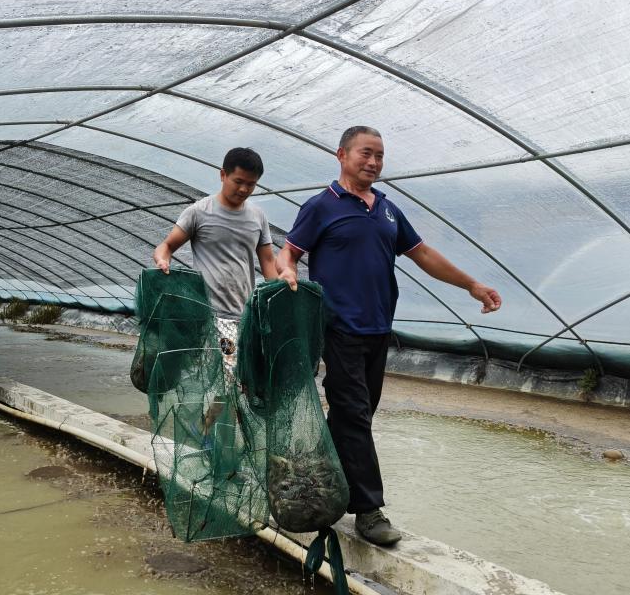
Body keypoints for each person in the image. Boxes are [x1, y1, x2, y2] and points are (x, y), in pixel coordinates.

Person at [276, 126, 501, 546]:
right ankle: (368, 510)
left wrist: (472, 285)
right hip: (339, 327)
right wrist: (287, 269)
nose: (374, 162)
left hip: (379, 328)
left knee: (353, 416)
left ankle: (312, 474)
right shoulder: (321, 206)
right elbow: (289, 251)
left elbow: (424, 255)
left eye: (380, 156)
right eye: (366, 153)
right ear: (341, 154)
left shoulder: (388, 210)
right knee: (355, 414)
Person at [154, 147, 280, 438]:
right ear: (223, 175)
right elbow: (167, 245)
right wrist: (163, 260)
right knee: (230, 380)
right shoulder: (199, 212)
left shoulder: (257, 218)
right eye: (238, 181)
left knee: (240, 383)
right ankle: (214, 438)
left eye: (251, 184)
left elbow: (268, 264)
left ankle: (207, 429)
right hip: (213, 317)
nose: (244, 189)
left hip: (246, 317)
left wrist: (279, 293)